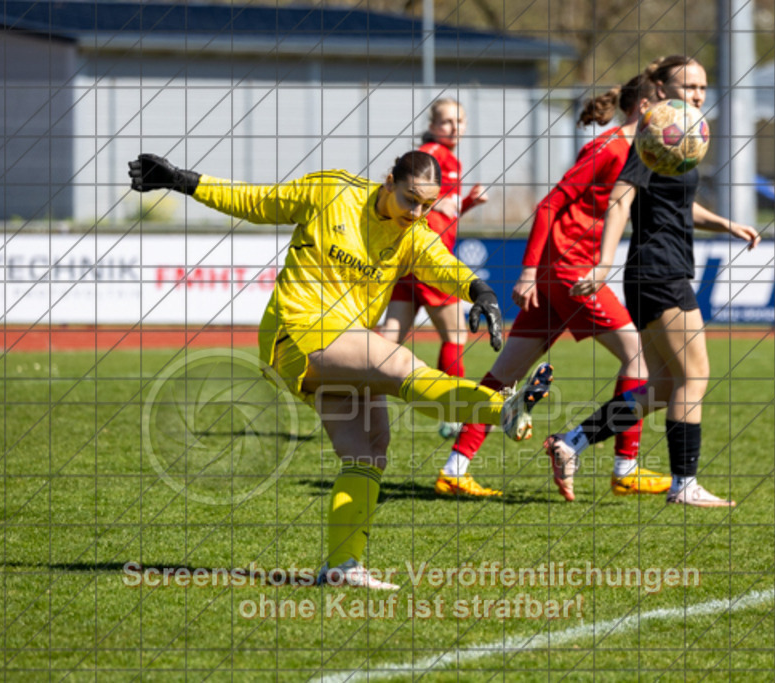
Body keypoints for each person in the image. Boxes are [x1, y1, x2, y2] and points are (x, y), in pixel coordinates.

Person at [128, 150, 553, 589]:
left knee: (370, 448)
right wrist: (183, 180)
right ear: (389, 181)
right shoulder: (331, 191)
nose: (418, 213)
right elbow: (254, 200)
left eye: (428, 205)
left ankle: (342, 566)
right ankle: (498, 408)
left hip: (342, 347)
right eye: (411, 200)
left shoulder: (413, 233)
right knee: (396, 361)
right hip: (295, 334)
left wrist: (480, 290)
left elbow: (441, 264)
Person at [437, 74, 671, 500]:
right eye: (666, 100)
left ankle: (455, 468)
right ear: (643, 105)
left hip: (558, 274)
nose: (674, 110)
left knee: (503, 375)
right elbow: (549, 205)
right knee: (639, 359)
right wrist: (528, 273)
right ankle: (625, 468)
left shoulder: (637, 151)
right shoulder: (610, 148)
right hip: (571, 273)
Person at [547, 55, 761, 507]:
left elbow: (677, 207)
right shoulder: (655, 131)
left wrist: (726, 224)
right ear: (662, 89)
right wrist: (603, 263)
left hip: (655, 272)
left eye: (703, 87)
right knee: (695, 375)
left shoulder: (677, 135)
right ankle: (685, 484)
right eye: (689, 86)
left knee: (663, 387)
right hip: (660, 272)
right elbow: (620, 201)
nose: (699, 95)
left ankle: (572, 442)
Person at [380, 99, 488, 442]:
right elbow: (414, 195)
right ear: (433, 124)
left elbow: (444, 212)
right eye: (446, 122)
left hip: (410, 260)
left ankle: (353, 393)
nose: (453, 128)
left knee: (389, 339)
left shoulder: (446, 157)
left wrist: (467, 202)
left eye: (459, 121)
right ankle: (452, 414)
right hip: (428, 260)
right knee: (456, 336)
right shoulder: (432, 153)